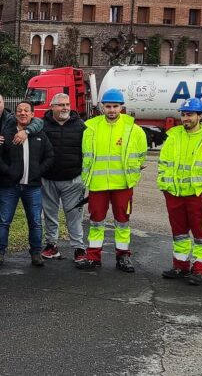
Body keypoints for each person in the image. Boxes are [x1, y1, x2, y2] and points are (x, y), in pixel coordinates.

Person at [157, 98, 202, 286]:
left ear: (200, 116)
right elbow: (163, 164)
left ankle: (200, 269)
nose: (185, 118)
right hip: (174, 194)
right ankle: (180, 265)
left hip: (199, 196)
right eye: (183, 114)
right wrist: (164, 186)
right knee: (179, 233)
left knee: (201, 235)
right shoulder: (173, 136)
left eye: (190, 114)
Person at [76, 88, 147, 272]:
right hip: (98, 185)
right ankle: (93, 257)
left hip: (123, 184)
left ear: (122, 107)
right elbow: (86, 155)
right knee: (96, 222)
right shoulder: (90, 127)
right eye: (108, 106)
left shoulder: (134, 130)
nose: (112, 110)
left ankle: (123, 257)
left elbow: (141, 156)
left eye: (116, 106)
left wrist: (134, 175)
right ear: (102, 107)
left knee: (122, 222)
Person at [0, 92, 44, 258]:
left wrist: (26, 132)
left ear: (4, 104)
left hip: (3, 176)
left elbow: (38, 122)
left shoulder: (11, 119)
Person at [0, 101, 54, 267]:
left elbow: (50, 156)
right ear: (15, 114)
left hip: (32, 187)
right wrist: (7, 171)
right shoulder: (7, 132)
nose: (23, 113)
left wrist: (38, 171)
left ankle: (36, 253)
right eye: (20, 110)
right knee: (4, 221)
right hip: (9, 186)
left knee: (35, 222)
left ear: (32, 114)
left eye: (26, 111)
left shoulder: (40, 134)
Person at [39, 93, 88, 265]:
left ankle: (79, 248)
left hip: (73, 180)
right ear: (52, 107)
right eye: (60, 105)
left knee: (74, 215)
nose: (65, 108)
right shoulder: (42, 125)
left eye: (67, 104)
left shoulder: (81, 126)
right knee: (50, 214)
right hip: (48, 179)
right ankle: (51, 245)